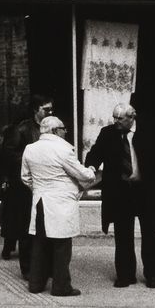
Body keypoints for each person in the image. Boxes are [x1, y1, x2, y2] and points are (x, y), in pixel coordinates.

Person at [84, 103, 155, 288]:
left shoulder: (150, 131)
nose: (116, 121)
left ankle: (153, 274)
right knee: (122, 234)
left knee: (151, 233)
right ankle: (125, 275)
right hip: (121, 191)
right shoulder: (108, 133)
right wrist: (91, 167)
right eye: (114, 117)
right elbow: (94, 154)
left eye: (120, 118)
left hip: (146, 190)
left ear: (132, 117)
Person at [21, 115, 100, 297]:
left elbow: (25, 177)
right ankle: (61, 286)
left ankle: (36, 283)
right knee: (61, 246)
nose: (66, 132)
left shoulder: (30, 149)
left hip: (40, 200)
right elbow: (84, 175)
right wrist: (93, 170)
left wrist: (39, 188)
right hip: (61, 202)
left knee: (40, 243)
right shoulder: (63, 150)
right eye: (64, 129)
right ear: (56, 131)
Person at [0, 96, 54, 277]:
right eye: (46, 109)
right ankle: (27, 268)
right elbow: (8, 155)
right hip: (25, 185)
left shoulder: (52, 129)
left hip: (45, 183)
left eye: (51, 110)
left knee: (44, 226)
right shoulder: (21, 129)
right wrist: (32, 158)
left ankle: (44, 265)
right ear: (36, 110)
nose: (50, 113)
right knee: (26, 227)